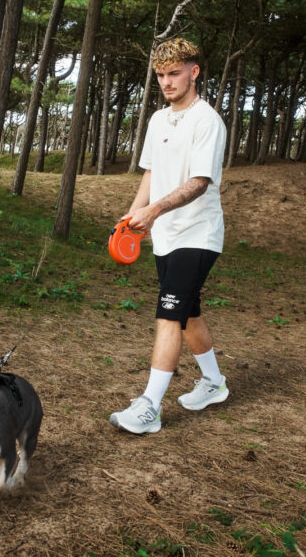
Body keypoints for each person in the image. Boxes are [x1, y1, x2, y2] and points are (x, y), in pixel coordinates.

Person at [109, 38, 228, 435]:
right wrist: (133, 216)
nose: (166, 82)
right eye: (160, 75)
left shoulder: (207, 120)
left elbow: (199, 182)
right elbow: (150, 172)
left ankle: (149, 407)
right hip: (166, 235)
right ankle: (213, 383)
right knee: (187, 313)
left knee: (168, 316)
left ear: (194, 71)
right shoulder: (159, 119)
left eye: (174, 73)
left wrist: (154, 211)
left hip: (198, 233)